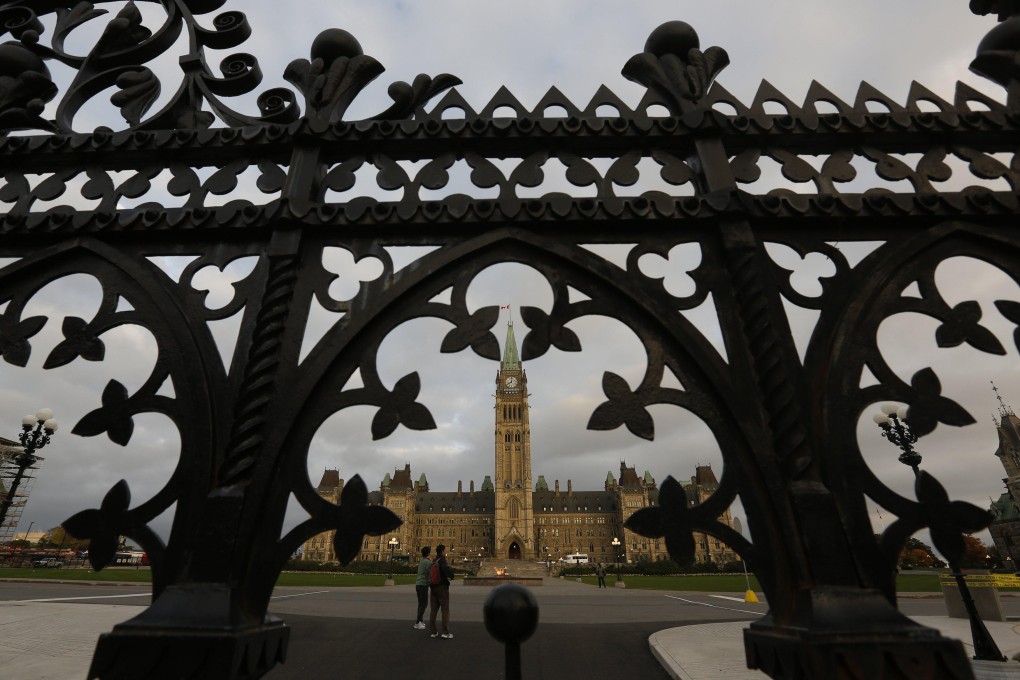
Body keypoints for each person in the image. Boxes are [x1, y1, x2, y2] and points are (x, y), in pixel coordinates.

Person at [428, 543, 455, 639]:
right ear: (443, 551)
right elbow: (445, 570)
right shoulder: (442, 560)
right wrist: (451, 575)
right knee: (445, 610)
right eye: (445, 550)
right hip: (442, 588)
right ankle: (445, 632)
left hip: (433, 588)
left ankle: (433, 632)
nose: (446, 552)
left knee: (433, 611)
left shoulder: (434, 560)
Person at [413, 546, 431, 629]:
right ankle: (418, 621)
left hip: (418, 583)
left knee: (420, 604)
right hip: (423, 584)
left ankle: (420, 621)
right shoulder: (428, 562)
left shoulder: (421, 560)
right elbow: (429, 573)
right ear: (428, 553)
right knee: (424, 603)